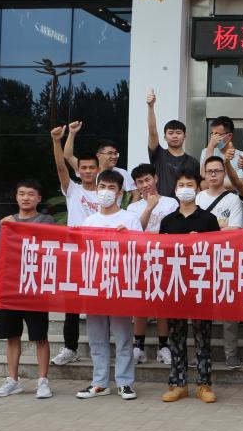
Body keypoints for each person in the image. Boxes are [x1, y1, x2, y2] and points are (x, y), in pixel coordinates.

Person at [0, 179, 56, 399]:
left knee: (40, 336)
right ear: (16, 197)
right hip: (9, 288)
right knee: (12, 336)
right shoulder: (5, 223)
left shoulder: (46, 220)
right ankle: (12, 380)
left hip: (35, 287)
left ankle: (43, 381)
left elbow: (51, 246)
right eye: (22, 194)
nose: (26, 198)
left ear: (38, 198)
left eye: (31, 194)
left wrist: (12, 225)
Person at [77, 170, 142, 401]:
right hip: (95, 285)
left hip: (120, 285)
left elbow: (141, 251)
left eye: (111, 188)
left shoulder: (130, 219)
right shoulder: (89, 221)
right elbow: (81, 254)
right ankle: (100, 382)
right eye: (102, 187)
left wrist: (129, 237)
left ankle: (125, 383)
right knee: (97, 338)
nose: (105, 192)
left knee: (123, 337)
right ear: (96, 190)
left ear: (120, 193)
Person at [159, 170, 221, 404]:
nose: (185, 188)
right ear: (175, 189)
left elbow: (218, 252)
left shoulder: (208, 219)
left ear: (197, 188)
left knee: (203, 337)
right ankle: (178, 383)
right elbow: (160, 254)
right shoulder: (168, 221)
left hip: (200, 285)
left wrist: (201, 242)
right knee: (176, 336)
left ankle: (204, 384)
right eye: (181, 185)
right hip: (175, 285)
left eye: (189, 184)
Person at [50, 124, 99, 367]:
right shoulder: (73, 190)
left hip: (100, 254)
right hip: (75, 253)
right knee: (72, 303)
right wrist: (56, 141)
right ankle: (70, 348)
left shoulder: (108, 193)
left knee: (100, 302)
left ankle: (101, 350)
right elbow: (61, 166)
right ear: (78, 170)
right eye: (83, 168)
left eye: (91, 167)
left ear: (98, 169)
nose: (87, 171)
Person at [196, 155, 243, 370]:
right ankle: (201, 353)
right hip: (201, 259)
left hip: (226, 258)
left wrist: (206, 232)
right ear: (204, 174)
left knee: (229, 309)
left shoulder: (232, 199)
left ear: (224, 173)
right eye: (210, 171)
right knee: (201, 309)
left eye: (217, 171)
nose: (213, 175)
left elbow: (235, 229)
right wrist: (217, 230)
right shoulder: (198, 198)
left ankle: (231, 354)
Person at [125, 163, 178, 365]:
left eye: (147, 179)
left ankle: (164, 346)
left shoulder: (171, 203)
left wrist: (150, 235)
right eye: (140, 182)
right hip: (140, 260)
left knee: (163, 304)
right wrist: (149, 207)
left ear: (155, 178)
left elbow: (170, 232)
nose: (145, 184)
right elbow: (135, 232)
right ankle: (138, 346)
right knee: (140, 305)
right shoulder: (133, 208)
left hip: (165, 259)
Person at [146, 89, 201, 197]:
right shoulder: (158, 155)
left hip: (184, 205)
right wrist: (150, 107)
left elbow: (197, 187)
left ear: (185, 136)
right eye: (170, 133)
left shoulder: (193, 162)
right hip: (161, 205)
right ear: (165, 137)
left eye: (178, 133)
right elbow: (152, 132)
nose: (174, 136)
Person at [63, 121, 137, 200]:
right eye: (110, 153)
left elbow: (136, 193)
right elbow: (68, 156)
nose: (114, 156)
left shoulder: (122, 173)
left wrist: (131, 208)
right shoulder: (88, 169)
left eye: (115, 154)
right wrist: (72, 133)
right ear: (98, 155)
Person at [200, 115, 243, 189]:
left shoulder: (242, 156)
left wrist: (211, 184)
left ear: (229, 136)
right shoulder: (206, 151)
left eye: (217, 134)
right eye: (212, 134)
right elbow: (203, 176)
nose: (213, 138)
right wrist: (210, 147)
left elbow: (239, 184)